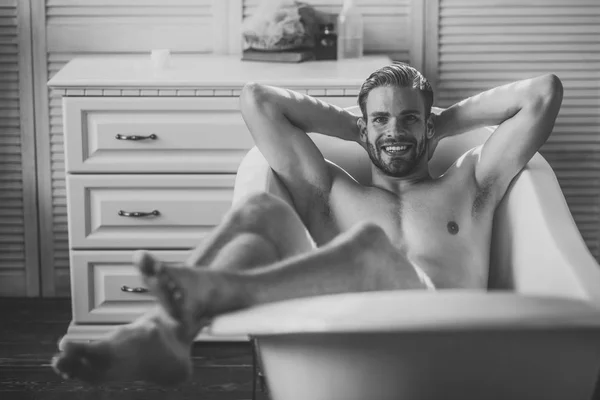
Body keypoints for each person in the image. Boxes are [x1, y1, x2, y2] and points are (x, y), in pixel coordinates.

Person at [51, 63, 563, 385]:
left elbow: (542, 93)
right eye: (380, 121)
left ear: (428, 127)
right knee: (260, 212)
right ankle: (168, 334)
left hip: (447, 343)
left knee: (369, 250)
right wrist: (359, 127)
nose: (395, 132)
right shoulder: (332, 192)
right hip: (345, 347)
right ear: (364, 128)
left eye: (409, 119)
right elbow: (258, 100)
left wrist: (440, 119)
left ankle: (213, 295)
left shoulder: (471, 183)